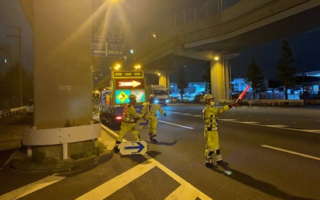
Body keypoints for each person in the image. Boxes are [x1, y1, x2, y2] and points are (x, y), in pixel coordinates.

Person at [202, 94, 237, 167]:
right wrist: (230, 105)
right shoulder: (208, 109)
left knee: (217, 146)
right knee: (211, 148)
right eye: (211, 100)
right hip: (210, 132)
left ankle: (219, 160)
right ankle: (208, 162)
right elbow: (219, 110)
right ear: (207, 101)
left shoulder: (210, 109)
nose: (212, 101)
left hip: (214, 131)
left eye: (213, 100)